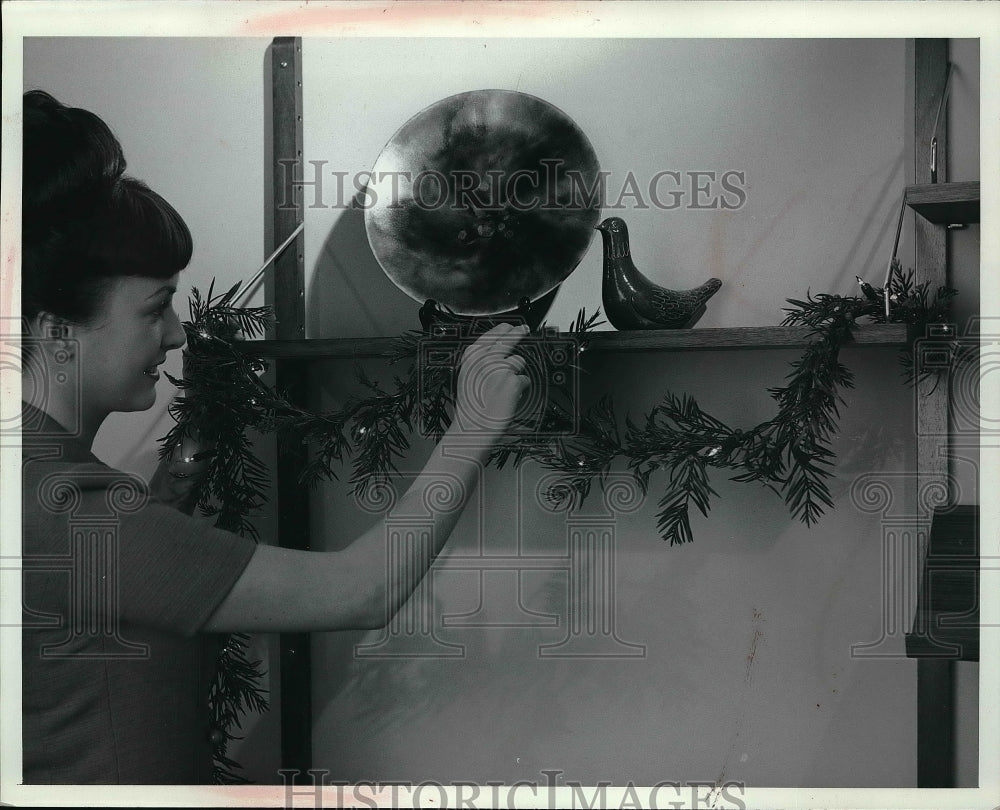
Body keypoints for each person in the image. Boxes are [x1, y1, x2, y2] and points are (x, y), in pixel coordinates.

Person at [20, 89, 531, 784]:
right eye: (154, 309)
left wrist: (166, 496)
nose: (175, 334)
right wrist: (471, 428)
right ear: (56, 332)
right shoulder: (72, 510)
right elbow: (360, 591)